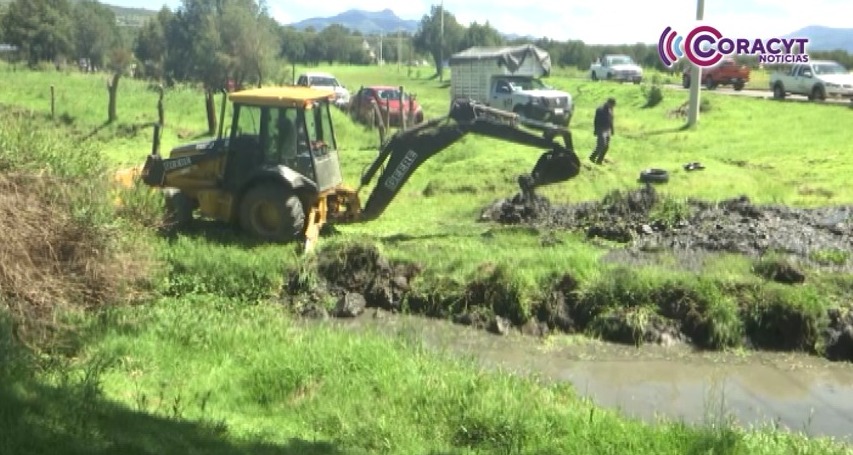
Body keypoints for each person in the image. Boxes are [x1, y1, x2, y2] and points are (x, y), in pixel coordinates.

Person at [589, 98, 616, 165]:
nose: (612, 107)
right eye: (611, 105)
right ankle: (592, 157)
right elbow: (596, 120)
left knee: (606, 147)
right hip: (601, 129)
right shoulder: (600, 109)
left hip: (607, 129)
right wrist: (596, 130)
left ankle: (599, 160)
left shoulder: (610, 110)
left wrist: (612, 129)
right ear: (608, 103)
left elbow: (611, 120)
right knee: (601, 145)